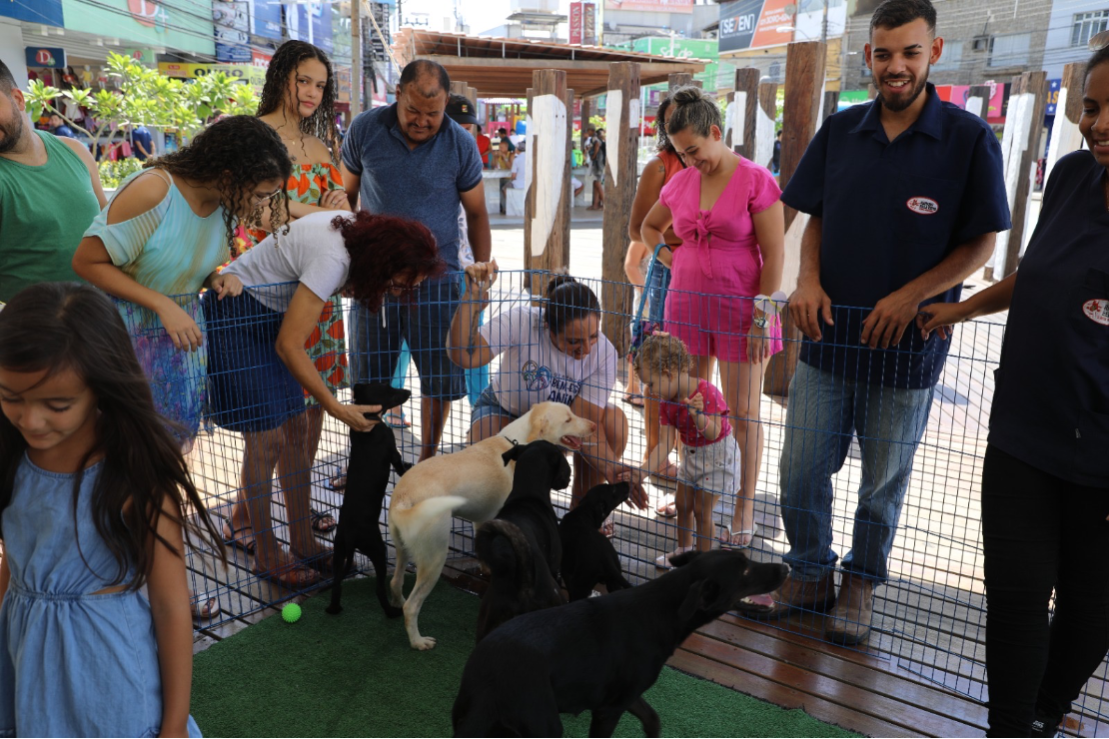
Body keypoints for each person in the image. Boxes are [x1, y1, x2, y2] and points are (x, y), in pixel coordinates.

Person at [765, 0, 1011, 646]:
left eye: (908, 52)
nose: (893, 66)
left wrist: (912, 295)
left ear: (933, 53)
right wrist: (807, 279)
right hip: (827, 341)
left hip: (906, 351)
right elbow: (813, 217)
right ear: (867, 56)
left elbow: (982, 243)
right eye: (882, 53)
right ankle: (809, 570)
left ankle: (859, 583)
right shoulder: (841, 132)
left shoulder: (967, 139)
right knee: (797, 469)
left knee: (882, 485)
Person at [916, 46, 1109, 739]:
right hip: (1023, 432)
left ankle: (1042, 713)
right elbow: (1036, 272)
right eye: (1090, 106)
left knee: (1091, 612)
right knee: (1017, 601)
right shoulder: (1068, 177)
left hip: (1101, 464)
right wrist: (955, 309)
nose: (1097, 123)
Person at [73, 116, 290, 611]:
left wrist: (215, 277)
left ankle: (161, 591)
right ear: (229, 173)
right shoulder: (154, 189)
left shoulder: (220, 205)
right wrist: (163, 303)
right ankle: (124, 591)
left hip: (180, 354)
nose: (261, 206)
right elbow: (87, 262)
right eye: (258, 193)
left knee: (162, 478)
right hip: (128, 348)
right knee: (122, 476)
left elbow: (185, 261)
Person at [0, 282, 224, 737]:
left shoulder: (134, 475)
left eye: (57, 404)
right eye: (10, 396)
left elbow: (170, 604)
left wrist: (175, 725)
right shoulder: (10, 458)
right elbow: (15, 561)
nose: (31, 420)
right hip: (26, 663)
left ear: (101, 388)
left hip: (108, 678)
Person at [203, 210, 444, 590]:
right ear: (385, 259)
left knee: (296, 431)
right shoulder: (335, 259)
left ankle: (301, 541)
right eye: (402, 282)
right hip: (236, 314)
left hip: (270, 316)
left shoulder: (356, 239)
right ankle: (267, 552)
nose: (403, 292)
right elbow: (289, 344)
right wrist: (336, 408)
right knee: (266, 439)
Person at [640, 86, 785, 553]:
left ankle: (743, 504)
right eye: (681, 152)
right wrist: (666, 257)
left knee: (741, 412)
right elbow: (648, 226)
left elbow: (776, 252)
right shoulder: (679, 181)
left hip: (742, 309)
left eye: (695, 150)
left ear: (716, 133)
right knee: (687, 403)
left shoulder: (755, 179)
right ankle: (695, 489)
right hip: (685, 307)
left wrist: (763, 318)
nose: (690, 160)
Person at [340, 59, 493, 462]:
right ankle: (367, 460)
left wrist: (482, 267)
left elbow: (477, 212)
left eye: (433, 113)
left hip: (438, 280)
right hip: (376, 280)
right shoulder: (365, 129)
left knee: (440, 380)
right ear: (397, 95)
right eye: (413, 111)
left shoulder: (459, 143)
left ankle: (427, 460)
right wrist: (349, 266)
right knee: (369, 379)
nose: (423, 121)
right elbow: (345, 199)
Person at [236, 39, 351, 536]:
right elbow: (254, 209)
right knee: (271, 424)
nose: (311, 92)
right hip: (267, 291)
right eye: (303, 79)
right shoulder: (253, 136)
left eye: (320, 85)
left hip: (319, 295)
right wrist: (319, 212)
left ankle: (297, 516)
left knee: (310, 413)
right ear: (280, 75)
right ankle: (251, 519)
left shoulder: (324, 145)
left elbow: (340, 214)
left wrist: (342, 200)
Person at [449, 272, 649, 532]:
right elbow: (463, 356)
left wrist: (612, 468)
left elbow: (583, 426)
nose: (586, 349)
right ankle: (504, 514)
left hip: (560, 428)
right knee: (490, 446)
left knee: (613, 422)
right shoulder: (522, 321)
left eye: (592, 336)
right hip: (508, 415)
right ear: (547, 327)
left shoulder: (605, 353)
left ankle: (581, 514)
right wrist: (470, 300)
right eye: (574, 341)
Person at [630, 333, 742, 566]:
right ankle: (684, 551)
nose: (648, 389)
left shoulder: (707, 393)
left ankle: (702, 562)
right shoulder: (666, 402)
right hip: (691, 455)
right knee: (682, 504)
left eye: (650, 383)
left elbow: (713, 433)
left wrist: (698, 417)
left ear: (668, 374)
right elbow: (664, 444)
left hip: (717, 456)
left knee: (702, 511)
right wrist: (642, 471)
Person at [0, 59, 106, 303]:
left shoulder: (75, 150)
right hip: (32, 333)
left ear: (18, 99)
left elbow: (111, 227)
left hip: (97, 320)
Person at [627, 94, 686, 515]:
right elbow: (637, 227)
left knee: (693, 369)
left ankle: (688, 451)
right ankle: (655, 450)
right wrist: (669, 255)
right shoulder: (660, 166)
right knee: (658, 366)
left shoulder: (719, 163)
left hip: (707, 276)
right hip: (668, 273)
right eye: (672, 120)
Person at [492, 138, 515, 215]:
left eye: (501, 147)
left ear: (506, 148)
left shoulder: (511, 155)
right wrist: (494, 157)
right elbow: (493, 166)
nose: (500, 149)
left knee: (503, 189)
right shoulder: (499, 156)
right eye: (499, 147)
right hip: (501, 178)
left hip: (509, 179)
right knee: (494, 189)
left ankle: (506, 208)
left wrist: (505, 157)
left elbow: (510, 168)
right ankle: (501, 207)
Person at [588, 128, 606, 210]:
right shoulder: (603, 140)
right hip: (600, 163)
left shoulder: (596, 139)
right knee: (595, 182)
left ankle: (605, 204)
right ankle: (595, 204)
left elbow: (597, 145)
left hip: (598, 163)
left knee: (597, 183)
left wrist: (594, 156)